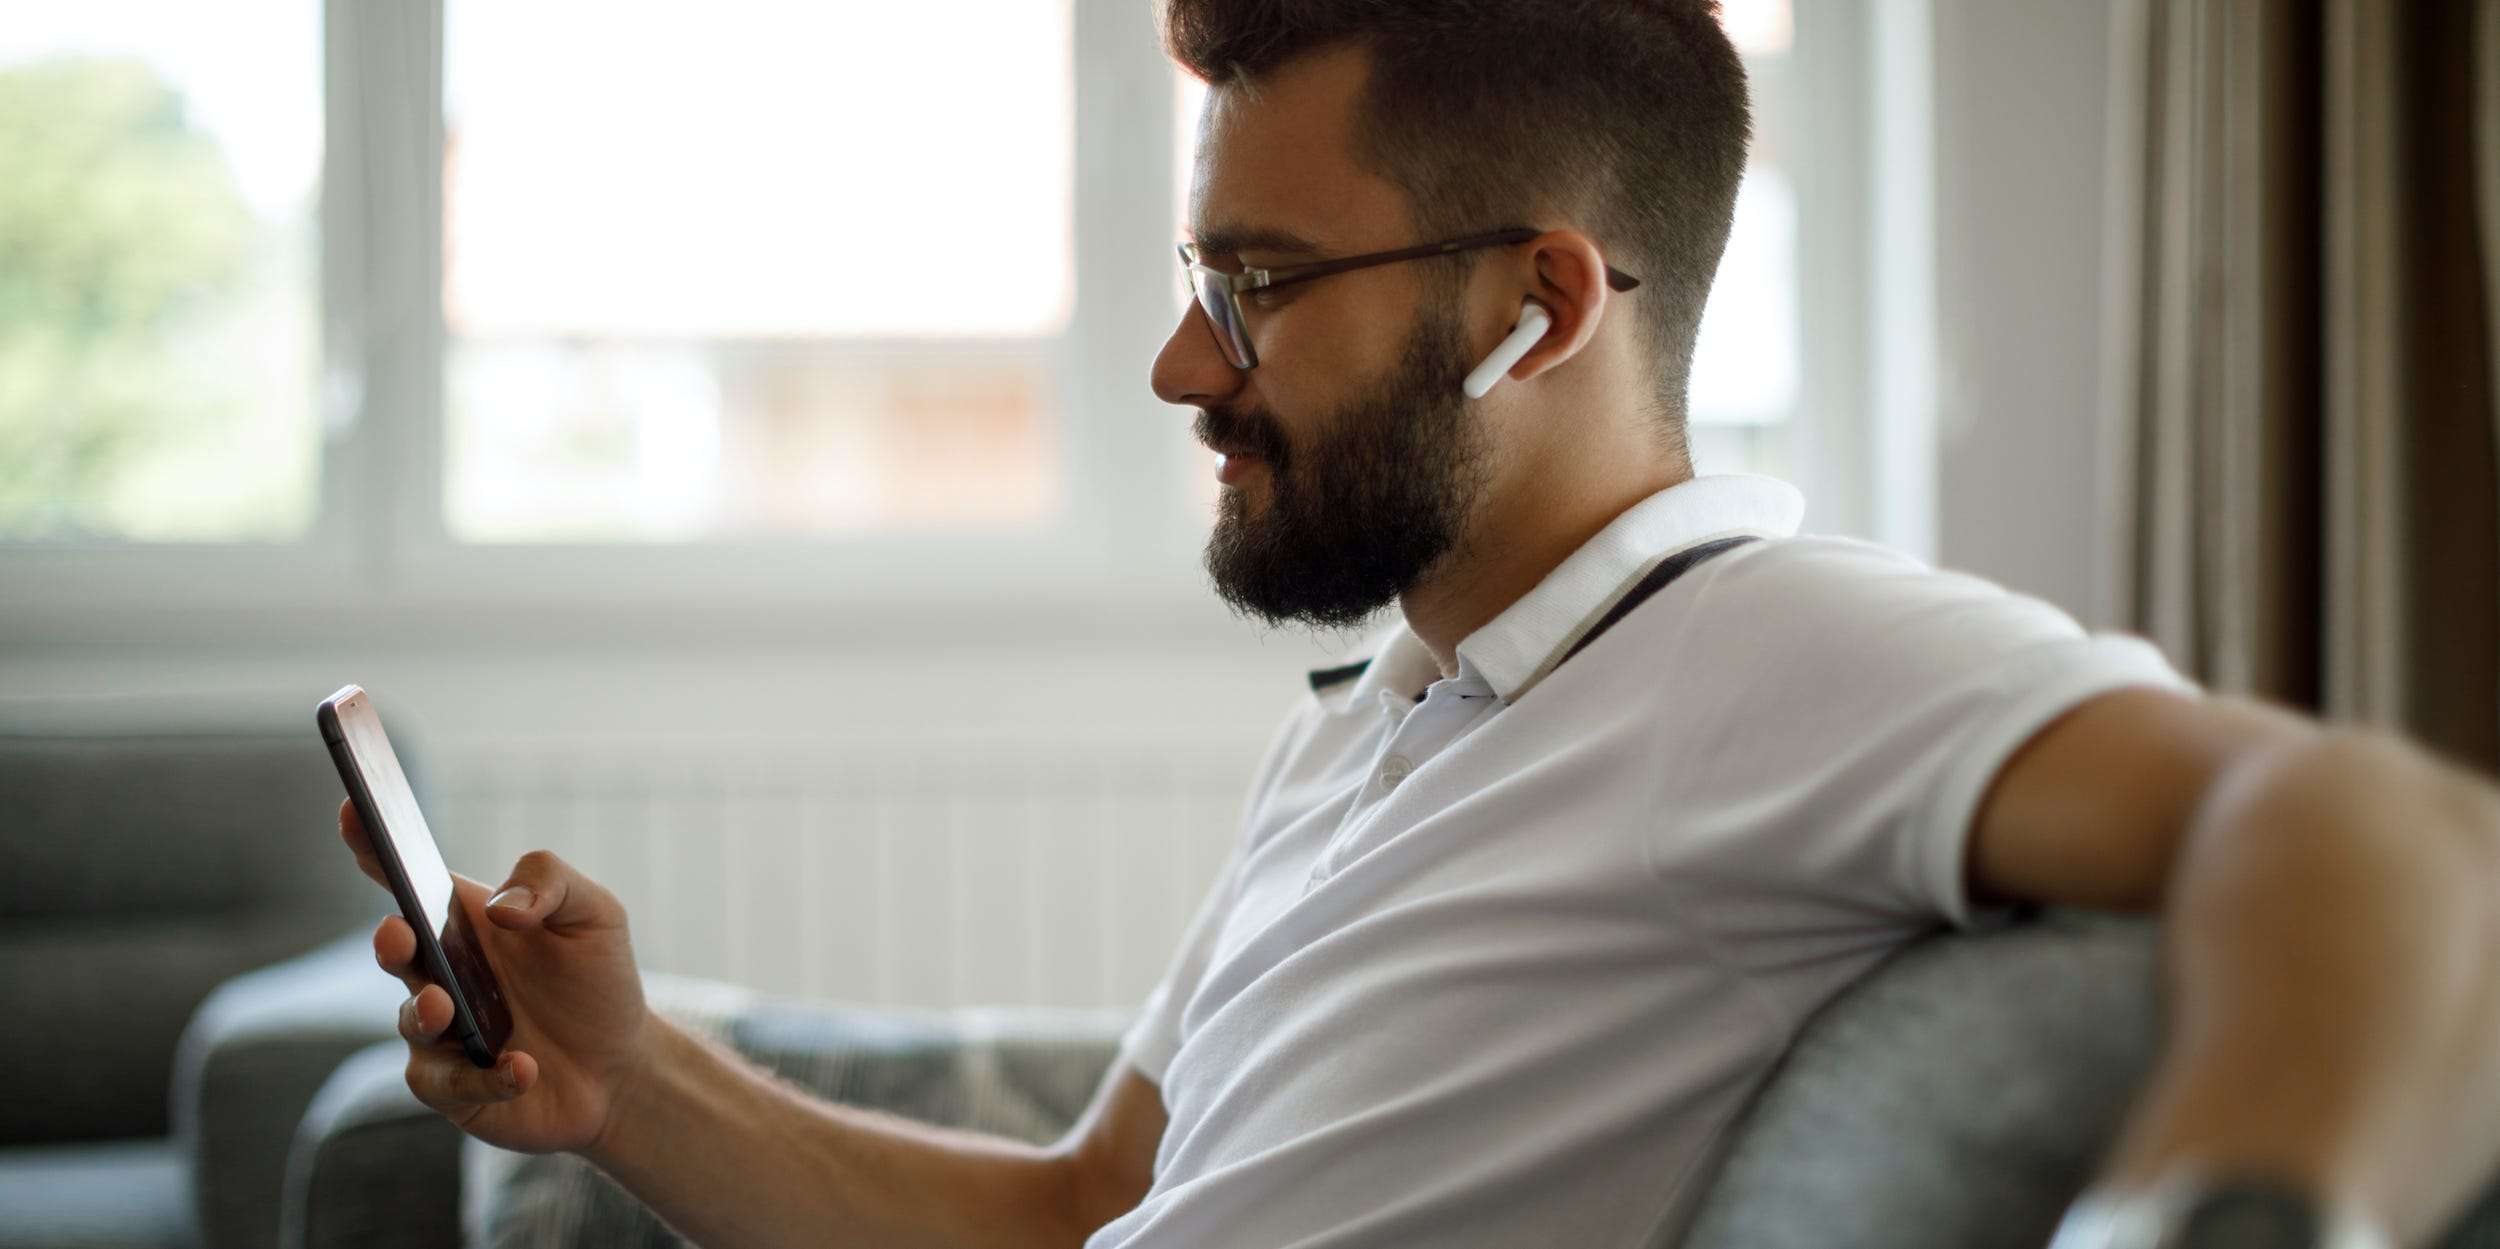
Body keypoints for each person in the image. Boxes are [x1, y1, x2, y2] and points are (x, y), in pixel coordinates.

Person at [338, 3, 2500, 1246]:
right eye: (1201, 286)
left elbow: (2389, 835)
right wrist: (625, 1083)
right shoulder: (1393, 705)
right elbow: (1083, 1206)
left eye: (1254, 286)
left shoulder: (1768, 654)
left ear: (1539, 304)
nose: (1187, 372)